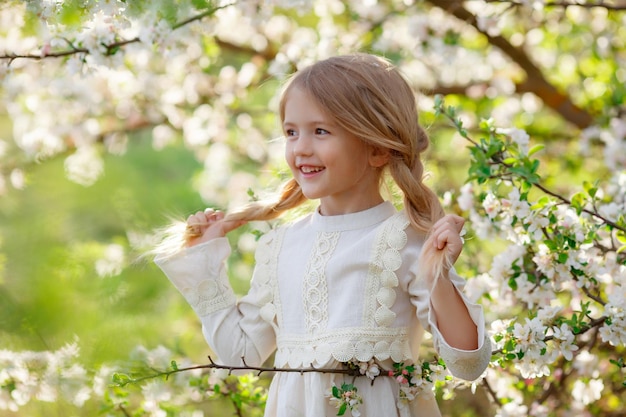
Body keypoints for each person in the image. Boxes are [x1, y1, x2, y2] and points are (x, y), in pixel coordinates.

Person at [154, 53, 491, 417]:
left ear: (377, 147)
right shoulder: (280, 247)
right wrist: (205, 264)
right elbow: (239, 356)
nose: (300, 148)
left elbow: (468, 364)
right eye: (290, 132)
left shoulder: (405, 240)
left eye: (320, 131)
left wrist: (436, 276)